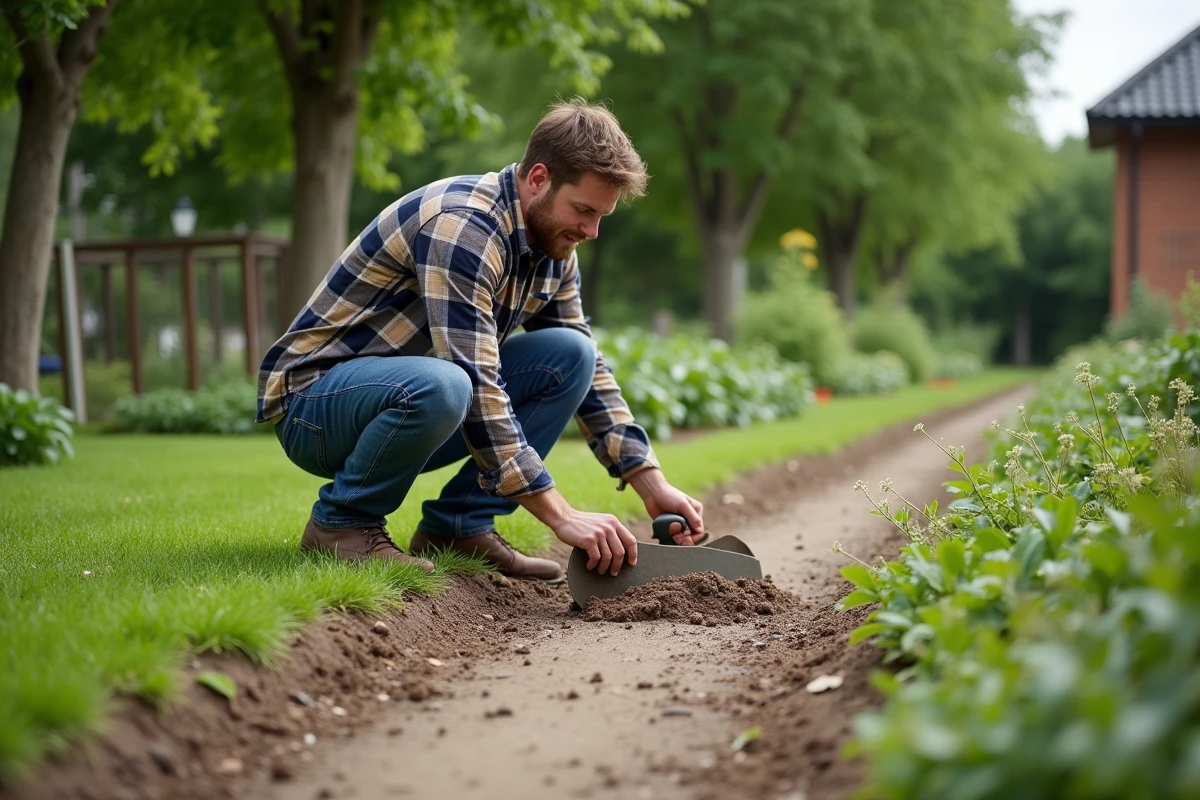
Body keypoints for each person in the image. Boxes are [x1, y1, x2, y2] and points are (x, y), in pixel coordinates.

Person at [257, 98, 706, 586]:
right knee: (448, 384)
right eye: (583, 210)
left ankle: (460, 525)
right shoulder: (463, 228)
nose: (591, 231)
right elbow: (476, 382)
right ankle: (342, 525)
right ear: (538, 178)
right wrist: (560, 514)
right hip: (315, 407)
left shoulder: (554, 247)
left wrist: (649, 480)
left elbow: (589, 374)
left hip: (413, 400)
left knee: (571, 356)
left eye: (601, 216)